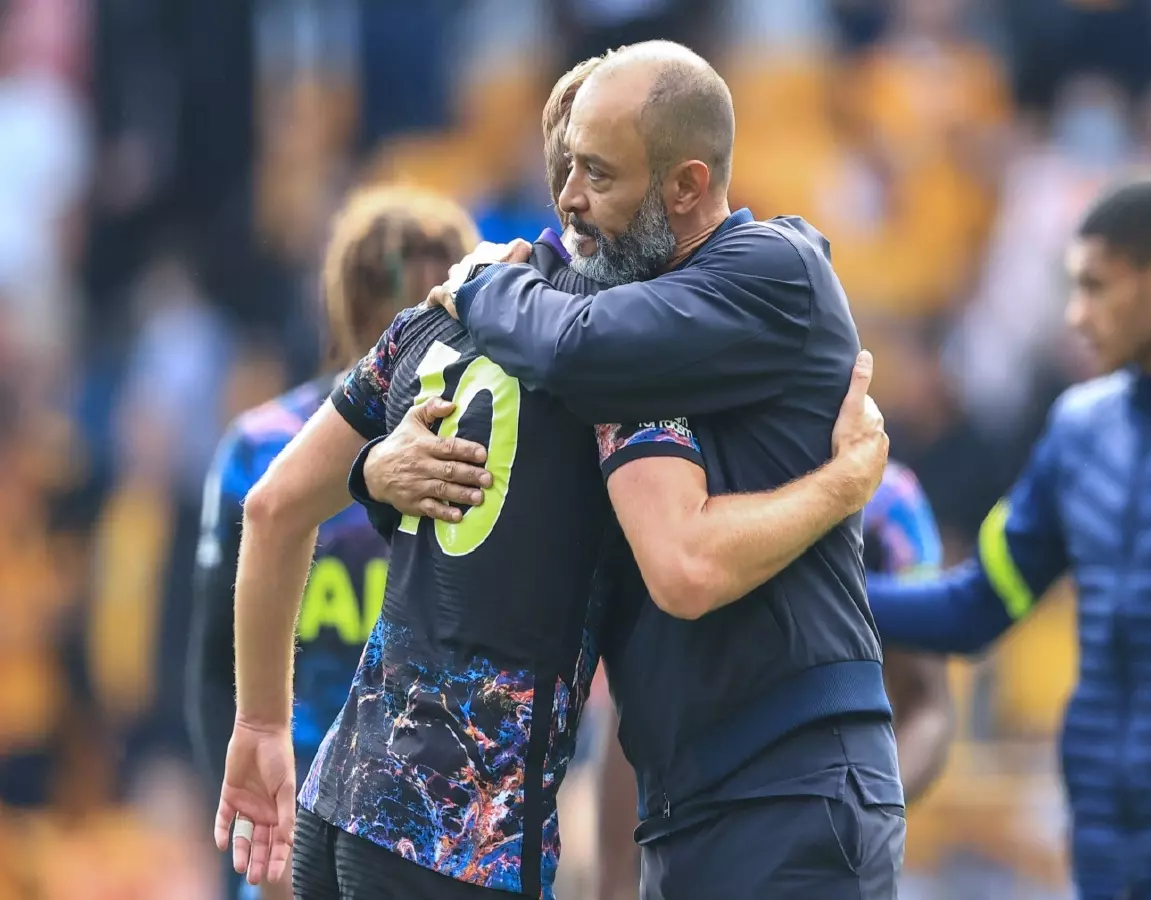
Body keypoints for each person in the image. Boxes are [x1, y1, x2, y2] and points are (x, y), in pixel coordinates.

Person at [211, 52, 888, 900]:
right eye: (576, 166)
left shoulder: (432, 325)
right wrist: (845, 484)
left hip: (340, 803)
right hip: (467, 837)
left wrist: (261, 724)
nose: (575, 189)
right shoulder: (618, 368)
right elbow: (682, 562)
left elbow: (271, 508)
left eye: (596, 172)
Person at [864, 174, 1151, 900]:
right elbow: (978, 607)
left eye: (1097, 287)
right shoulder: (1080, 432)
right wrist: (822, 594)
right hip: (1104, 850)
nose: (1076, 316)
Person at [187, 184, 480, 900]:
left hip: (445, 833)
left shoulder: (489, 448)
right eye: (402, 314)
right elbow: (208, 672)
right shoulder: (264, 453)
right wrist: (255, 838)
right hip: (297, 820)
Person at [590, 461, 952, 899]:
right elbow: (636, 707)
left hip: (829, 828)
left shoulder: (888, 501)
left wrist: (860, 800)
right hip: (690, 829)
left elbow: (929, 707)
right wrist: (614, 881)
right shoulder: (673, 488)